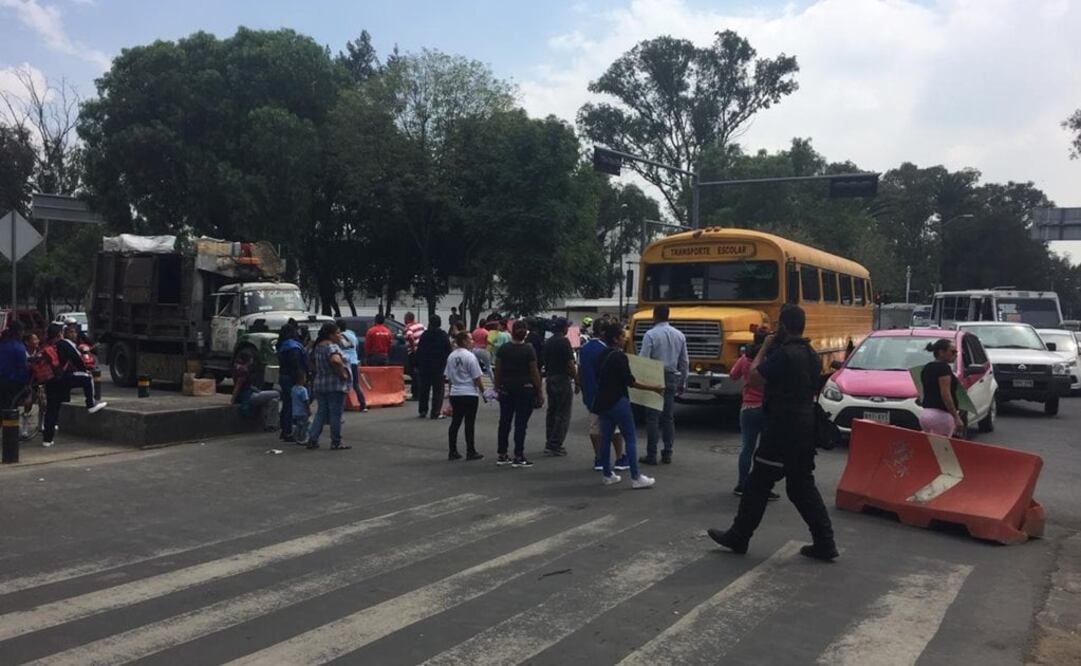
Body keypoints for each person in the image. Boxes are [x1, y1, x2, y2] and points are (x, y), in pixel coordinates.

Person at [708, 305, 838, 562]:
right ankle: (825, 541)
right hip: (804, 427)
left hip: (781, 428)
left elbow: (754, 378)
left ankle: (739, 536)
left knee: (758, 484)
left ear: (784, 327)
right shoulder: (810, 353)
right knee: (801, 486)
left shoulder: (784, 354)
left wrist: (765, 348)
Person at [593, 322, 663, 489]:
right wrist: (654, 388)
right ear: (616, 339)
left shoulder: (600, 355)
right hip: (619, 401)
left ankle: (607, 474)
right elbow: (631, 382)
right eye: (622, 336)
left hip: (603, 402)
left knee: (605, 438)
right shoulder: (620, 357)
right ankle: (636, 477)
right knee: (630, 437)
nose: (625, 339)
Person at [730, 327, 780, 501]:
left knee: (747, 449)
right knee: (765, 451)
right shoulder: (771, 359)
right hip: (766, 409)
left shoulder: (745, 358)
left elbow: (732, 375)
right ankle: (763, 486)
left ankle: (742, 484)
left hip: (748, 408)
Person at [42, 324, 107, 448]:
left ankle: (47, 440)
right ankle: (91, 404)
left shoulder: (47, 345)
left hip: (51, 380)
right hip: (63, 378)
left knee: (51, 409)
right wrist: (85, 370)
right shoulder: (64, 344)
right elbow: (78, 360)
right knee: (87, 378)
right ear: (60, 333)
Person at [639, 304, 689, 466]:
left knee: (653, 417)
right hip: (671, 376)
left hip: (654, 375)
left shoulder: (650, 334)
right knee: (668, 417)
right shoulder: (679, 335)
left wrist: (640, 382)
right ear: (668, 316)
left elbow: (644, 359)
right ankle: (667, 453)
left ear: (655, 315)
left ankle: (651, 454)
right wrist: (683, 381)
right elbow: (684, 361)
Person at [578, 318, 629, 472]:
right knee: (615, 428)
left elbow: (581, 370)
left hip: (589, 394)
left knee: (594, 427)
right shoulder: (607, 351)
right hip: (607, 394)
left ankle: (599, 457)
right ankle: (620, 457)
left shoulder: (584, 348)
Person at [494, 320, 543, 468]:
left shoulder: (504, 349)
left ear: (512, 332)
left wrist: (497, 387)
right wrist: (539, 390)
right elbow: (534, 371)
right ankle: (519, 454)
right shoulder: (529, 349)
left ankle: (502, 454)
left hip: (507, 387)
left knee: (504, 421)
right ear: (525, 333)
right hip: (525, 388)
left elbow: (498, 370)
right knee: (521, 423)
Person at [307, 322, 352, 450]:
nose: (339, 336)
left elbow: (311, 360)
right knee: (335, 414)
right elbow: (335, 360)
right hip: (334, 385)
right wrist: (342, 374)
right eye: (337, 333)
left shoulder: (317, 347)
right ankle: (336, 441)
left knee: (321, 413)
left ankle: (313, 438)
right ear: (330, 335)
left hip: (320, 383)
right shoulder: (332, 347)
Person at [445, 330, 487, 461]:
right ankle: (471, 450)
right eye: (470, 339)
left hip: (456, 392)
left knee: (455, 422)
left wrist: (451, 393)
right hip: (469, 393)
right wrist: (483, 392)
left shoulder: (451, 356)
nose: (472, 341)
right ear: (463, 341)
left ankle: (452, 450)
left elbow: (449, 377)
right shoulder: (470, 357)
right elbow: (477, 377)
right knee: (469, 422)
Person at [542, 317, 579, 457]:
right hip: (562, 378)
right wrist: (577, 380)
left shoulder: (548, 342)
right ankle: (555, 444)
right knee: (563, 413)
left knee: (552, 411)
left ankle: (550, 440)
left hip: (550, 377)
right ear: (563, 328)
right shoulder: (564, 342)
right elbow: (569, 364)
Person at [918, 339, 964, 436]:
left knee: (930, 446)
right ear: (941, 352)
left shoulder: (927, 367)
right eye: (953, 351)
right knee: (942, 448)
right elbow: (945, 394)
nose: (956, 354)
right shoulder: (944, 368)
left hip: (925, 414)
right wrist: (956, 417)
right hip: (941, 416)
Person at [231, 350, 281, 432]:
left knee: (273, 401)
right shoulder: (243, 371)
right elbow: (238, 386)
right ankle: (271, 424)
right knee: (276, 393)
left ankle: (271, 425)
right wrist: (233, 399)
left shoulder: (237, 368)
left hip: (250, 393)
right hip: (248, 396)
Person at [416, 314, 452, 419]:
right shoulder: (443, 335)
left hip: (425, 366)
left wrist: (419, 363)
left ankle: (423, 410)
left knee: (424, 389)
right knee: (438, 390)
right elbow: (448, 351)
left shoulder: (425, 335)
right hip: (439, 366)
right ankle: (435, 412)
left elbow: (419, 351)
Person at [276, 323, 306, 442]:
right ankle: (289, 431)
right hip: (292, 377)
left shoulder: (282, 345)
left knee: (286, 404)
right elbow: (296, 364)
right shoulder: (293, 347)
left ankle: (285, 429)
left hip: (283, 375)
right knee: (291, 405)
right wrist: (300, 379)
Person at [336, 320, 367, 413]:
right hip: (354, 361)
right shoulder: (352, 335)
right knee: (356, 384)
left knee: (343, 384)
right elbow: (357, 347)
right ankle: (363, 404)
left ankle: (341, 406)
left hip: (344, 362)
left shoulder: (338, 337)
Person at [0, 321, 29, 409]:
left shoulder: (2, 344)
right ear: (18, 332)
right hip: (12, 383)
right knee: (10, 408)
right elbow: (22, 368)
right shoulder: (19, 347)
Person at [404, 312, 426, 399]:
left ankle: (416, 393)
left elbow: (410, 336)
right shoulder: (421, 326)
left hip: (414, 353)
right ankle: (421, 392)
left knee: (413, 372)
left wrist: (413, 349)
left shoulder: (408, 328)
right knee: (420, 373)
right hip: (422, 352)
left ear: (408, 319)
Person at [290, 368, 312, 445]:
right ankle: (304, 438)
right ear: (301, 379)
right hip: (303, 412)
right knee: (306, 425)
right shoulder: (303, 390)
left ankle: (296, 436)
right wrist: (308, 410)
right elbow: (306, 400)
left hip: (295, 411)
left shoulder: (293, 389)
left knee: (299, 424)